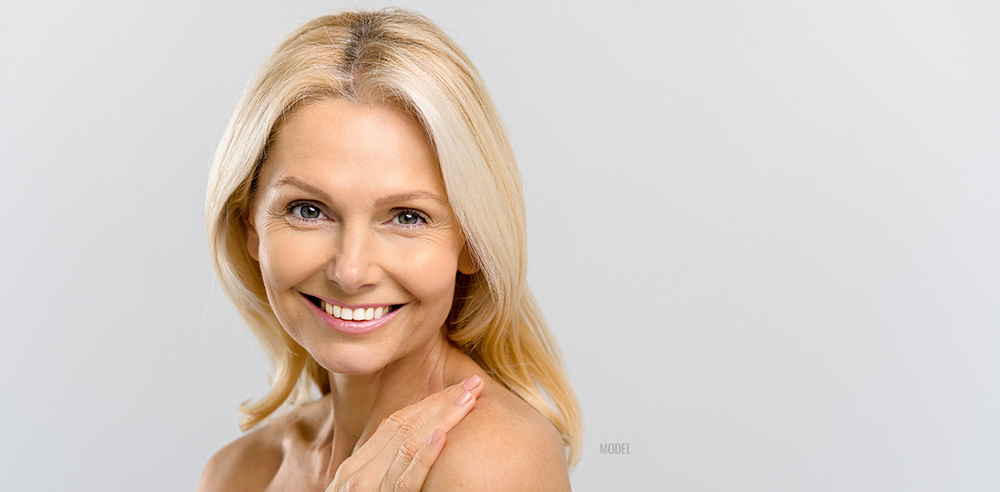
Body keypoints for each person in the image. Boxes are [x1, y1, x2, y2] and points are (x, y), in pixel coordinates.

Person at [200, 8, 580, 491]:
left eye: (407, 217)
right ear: (249, 225)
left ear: (472, 244)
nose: (351, 270)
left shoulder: (494, 461)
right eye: (309, 210)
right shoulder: (239, 473)